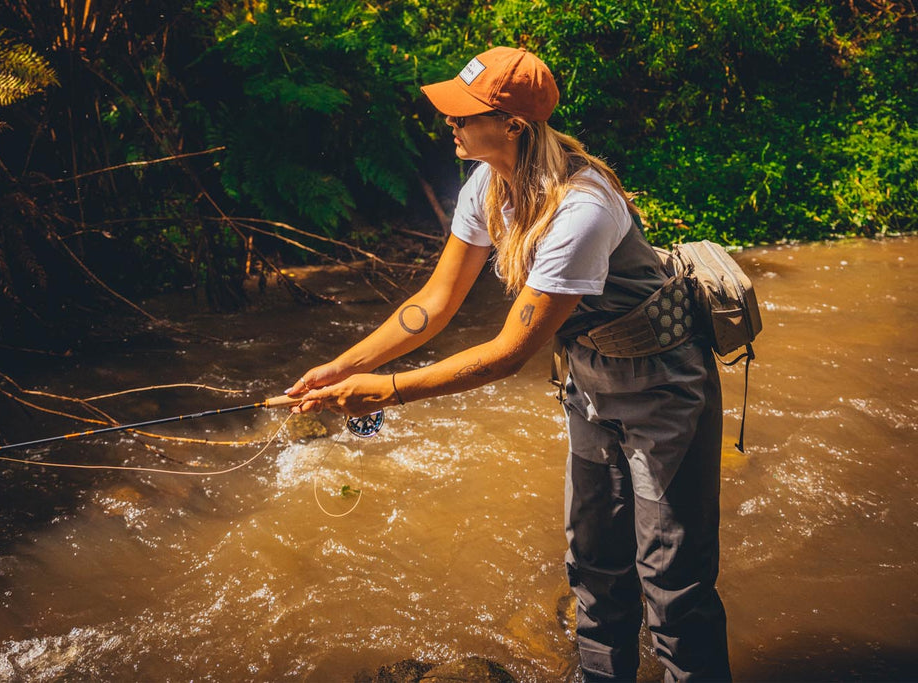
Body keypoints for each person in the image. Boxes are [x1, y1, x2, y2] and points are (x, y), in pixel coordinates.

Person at [287, 46, 732, 682]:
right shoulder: (487, 185)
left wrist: (386, 391)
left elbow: (507, 353)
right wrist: (340, 367)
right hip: (590, 380)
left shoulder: (583, 208)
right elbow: (435, 305)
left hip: (663, 386)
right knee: (595, 564)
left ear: (513, 125)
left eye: (464, 115)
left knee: (673, 583)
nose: (451, 124)